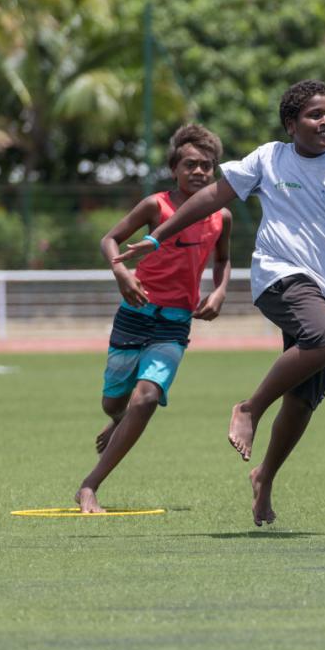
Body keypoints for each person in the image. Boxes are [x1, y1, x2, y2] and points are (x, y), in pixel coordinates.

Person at [114, 79, 325, 526]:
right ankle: (249, 407)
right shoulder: (269, 157)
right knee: (322, 339)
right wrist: (158, 236)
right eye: (315, 115)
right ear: (291, 124)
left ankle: (265, 477)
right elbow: (211, 197)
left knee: (304, 399)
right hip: (279, 276)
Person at [76, 124, 233, 514]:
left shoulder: (221, 216)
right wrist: (122, 273)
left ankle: (89, 485)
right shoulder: (155, 206)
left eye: (207, 166)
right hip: (134, 314)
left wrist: (219, 290)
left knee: (145, 398)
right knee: (113, 402)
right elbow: (109, 239)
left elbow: (223, 258)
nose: (199, 172)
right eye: (191, 164)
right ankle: (119, 420)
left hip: (175, 323)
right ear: (174, 168)